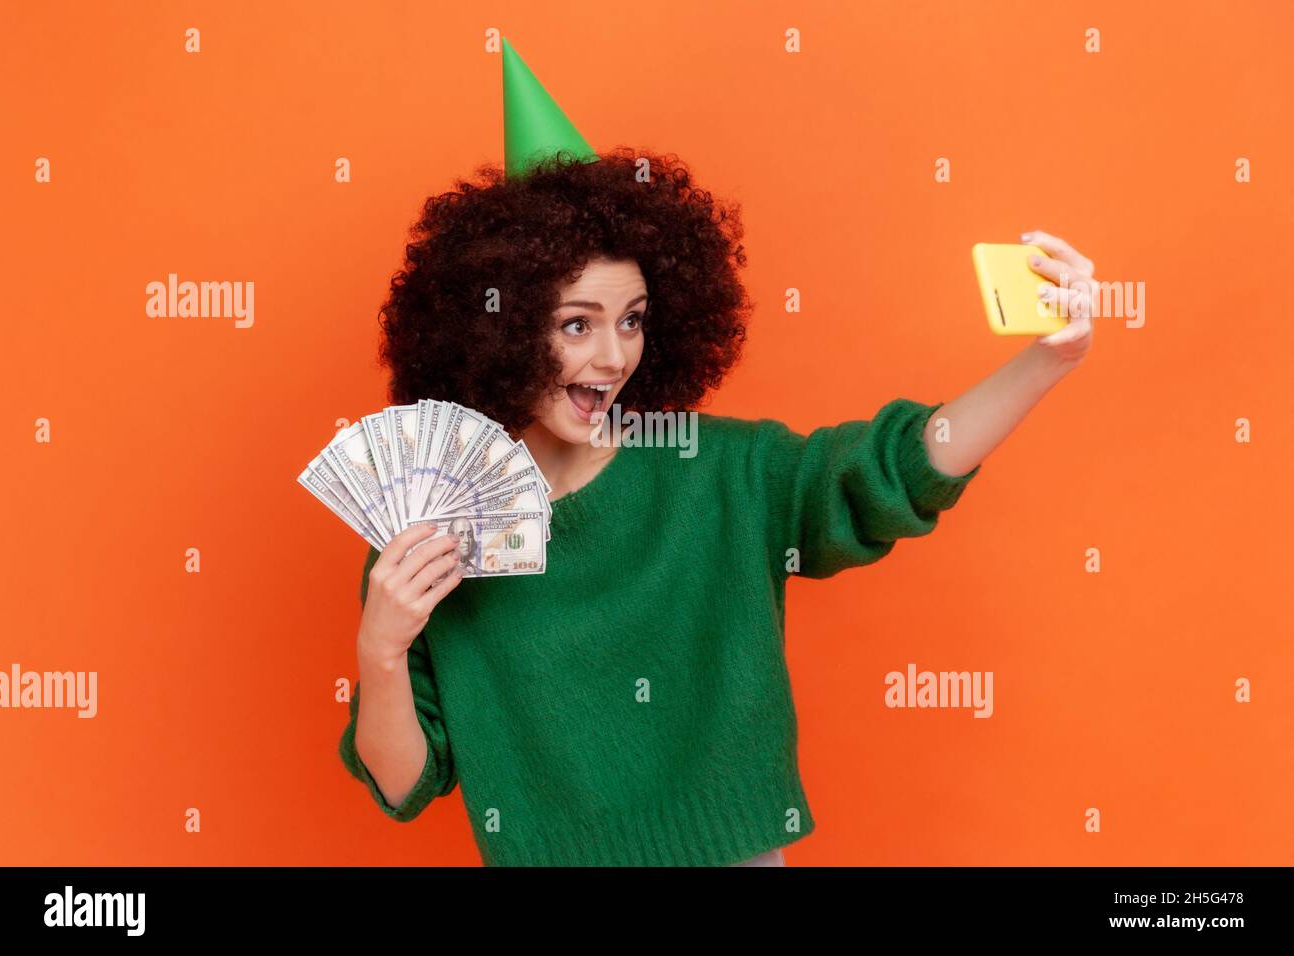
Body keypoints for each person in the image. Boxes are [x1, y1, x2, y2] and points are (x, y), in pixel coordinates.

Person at [337, 42, 1096, 866]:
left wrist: (1045, 360)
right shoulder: (430, 527)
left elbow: (892, 470)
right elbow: (405, 784)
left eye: (631, 320)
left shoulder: (714, 471)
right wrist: (381, 649)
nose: (613, 357)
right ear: (499, 332)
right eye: (577, 324)